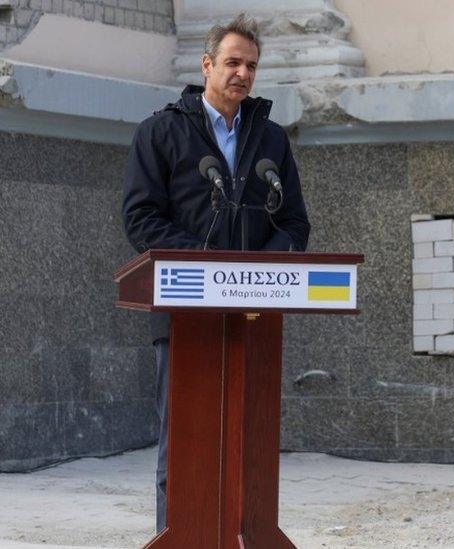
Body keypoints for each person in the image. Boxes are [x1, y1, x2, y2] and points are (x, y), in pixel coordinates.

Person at [121, 13, 310, 533]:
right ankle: (178, 537)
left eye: (251, 65)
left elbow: (294, 222)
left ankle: (245, 536)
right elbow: (141, 219)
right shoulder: (160, 132)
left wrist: (257, 276)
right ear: (207, 65)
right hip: (185, 313)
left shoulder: (270, 140)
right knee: (185, 443)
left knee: (247, 443)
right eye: (232, 62)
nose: (242, 74)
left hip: (254, 315)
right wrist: (209, 270)